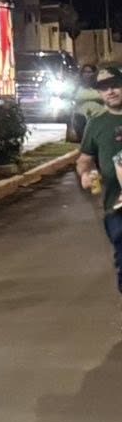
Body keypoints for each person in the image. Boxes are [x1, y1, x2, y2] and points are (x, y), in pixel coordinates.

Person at [73, 65, 122, 298]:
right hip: (116, 207)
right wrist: (85, 174)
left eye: (115, 85)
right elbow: (84, 160)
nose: (110, 91)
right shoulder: (96, 124)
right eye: (104, 88)